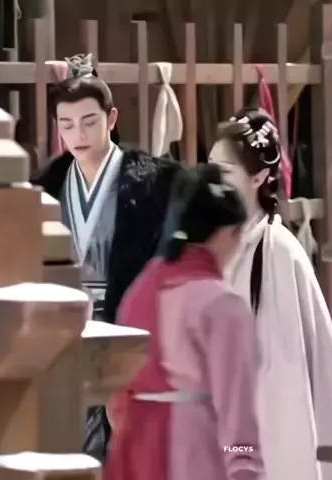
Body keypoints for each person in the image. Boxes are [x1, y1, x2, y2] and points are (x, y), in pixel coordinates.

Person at [30, 53, 182, 462]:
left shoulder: (153, 186)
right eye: (66, 125)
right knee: (67, 447)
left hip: (127, 330)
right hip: (64, 334)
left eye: (89, 122)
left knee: (127, 447)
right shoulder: (46, 188)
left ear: (111, 119)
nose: (77, 135)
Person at [209, 107, 332, 480]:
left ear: (259, 177)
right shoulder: (217, 241)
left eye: (225, 171)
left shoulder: (277, 251)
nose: (212, 181)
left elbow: (283, 382)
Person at [105, 164, 264, 480]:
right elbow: (237, 415)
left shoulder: (140, 290)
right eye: (238, 235)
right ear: (224, 233)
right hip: (192, 453)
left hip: (134, 450)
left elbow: (115, 398)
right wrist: (245, 468)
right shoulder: (221, 304)